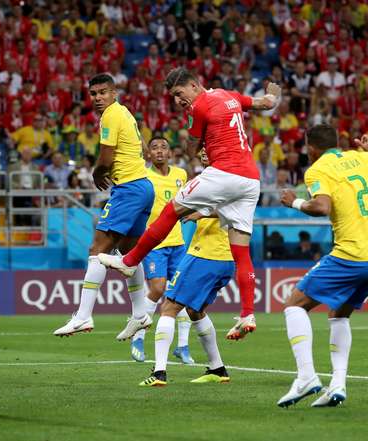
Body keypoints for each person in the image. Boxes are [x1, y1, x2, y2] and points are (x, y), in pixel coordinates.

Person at [98, 67, 281, 340]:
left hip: (224, 173)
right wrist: (272, 93)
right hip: (250, 180)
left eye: (179, 93)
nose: (177, 101)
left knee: (172, 209)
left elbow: (192, 150)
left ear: (194, 86)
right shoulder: (228, 96)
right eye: (173, 96)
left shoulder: (200, 106)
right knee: (240, 250)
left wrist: (200, 144)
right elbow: (265, 104)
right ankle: (247, 314)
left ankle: (129, 260)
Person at [276, 126, 368, 408]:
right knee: (339, 315)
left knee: (293, 304)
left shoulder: (316, 170)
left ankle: (306, 377)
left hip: (350, 256)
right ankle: (337, 385)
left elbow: (321, 207)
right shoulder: (362, 157)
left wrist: (295, 202)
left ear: (311, 147)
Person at [52, 74, 154, 340]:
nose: (98, 98)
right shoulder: (125, 113)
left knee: (97, 249)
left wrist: (98, 172)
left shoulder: (110, 115)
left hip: (129, 189)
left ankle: (83, 316)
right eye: (93, 94)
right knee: (127, 253)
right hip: (143, 187)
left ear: (114, 92)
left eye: (103, 92)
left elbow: (106, 156)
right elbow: (143, 146)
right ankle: (141, 313)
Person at [140, 149, 235, 387]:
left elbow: (231, 209)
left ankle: (159, 373)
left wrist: (199, 213)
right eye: (201, 149)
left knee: (169, 307)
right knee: (195, 311)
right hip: (224, 257)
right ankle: (218, 368)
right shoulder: (217, 178)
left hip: (207, 255)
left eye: (209, 148)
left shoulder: (224, 179)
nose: (204, 152)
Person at [129, 137, 191, 363]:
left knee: (181, 292)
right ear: (148, 154)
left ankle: (182, 346)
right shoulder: (144, 176)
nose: (159, 151)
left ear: (170, 152)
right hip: (154, 243)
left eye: (164, 147)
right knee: (157, 289)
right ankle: (138, 335)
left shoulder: (181, 175)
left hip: (177, 243)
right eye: (154, 148)